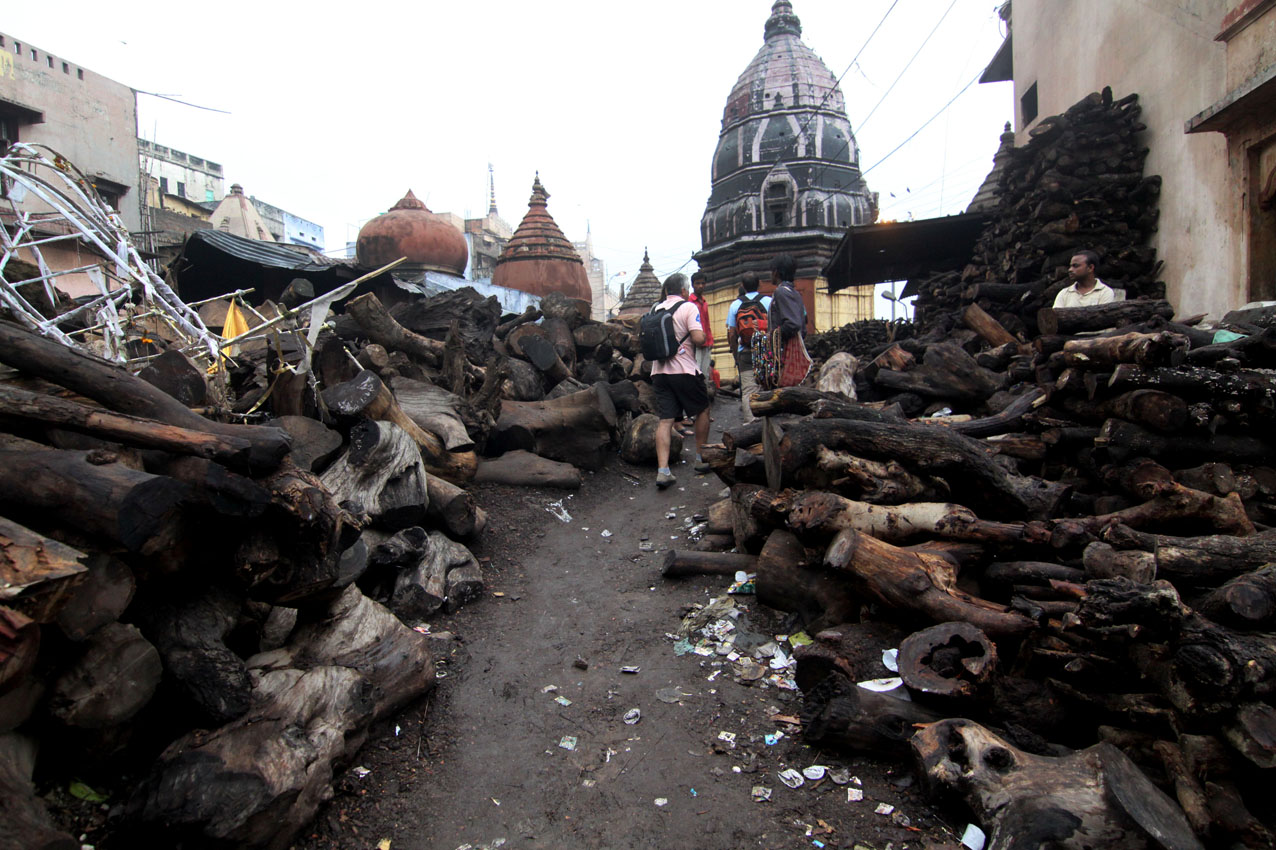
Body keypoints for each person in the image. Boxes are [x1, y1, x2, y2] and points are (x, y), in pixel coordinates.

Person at [650, 273, 710, 489]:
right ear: (685, 291)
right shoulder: (688, 307)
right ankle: (701, 458)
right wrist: (701, 337)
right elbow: (697, 338)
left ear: (666, 291)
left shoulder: (655, 309)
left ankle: (663, 471)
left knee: (665, 420)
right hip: (684, 370)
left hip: (659, 373)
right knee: (702, 410)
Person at [725, 271, 771, 424]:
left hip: (744, 352)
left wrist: (734, 353)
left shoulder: (735, 305)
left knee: (748, 390)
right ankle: (766, 423)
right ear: (759, 284)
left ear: (742, 286)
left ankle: (750, 423)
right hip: (766, 351)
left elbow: (731, 333)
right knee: (767, 387)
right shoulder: (768, 302)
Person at [768, 253, 811, 387]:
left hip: (783, 353)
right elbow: (804, 321)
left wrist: (773, 336)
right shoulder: (795, 293)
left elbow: (793, 324)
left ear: (776, 272)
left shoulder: (781, 292)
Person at [689, 271, 715, 398]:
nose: (700, 286)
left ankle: (703, 410)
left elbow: (707, 323)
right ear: (692, 285)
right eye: (697, 283)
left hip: (706, 343)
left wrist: (711, 340)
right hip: (695, 344)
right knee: (695, 375)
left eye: (702, 283)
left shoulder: (704, 302)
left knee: (704, 375)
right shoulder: (689, 302)